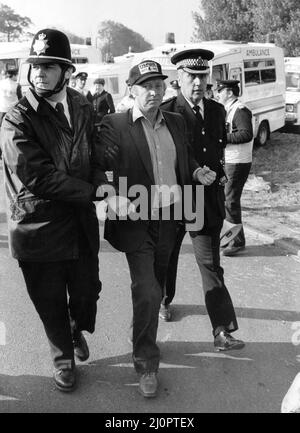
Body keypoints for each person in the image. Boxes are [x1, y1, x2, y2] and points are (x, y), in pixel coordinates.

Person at [98, 59, 216, 398]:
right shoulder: (114, 124)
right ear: (131, 90)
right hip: (135, 219)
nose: (155, 90)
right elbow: (100, 168)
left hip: (170, 218)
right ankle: (146, 363)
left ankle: (142, 328)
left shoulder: (176, 122)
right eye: (147, 86)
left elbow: (186, 157)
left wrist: (195, 172)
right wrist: (110, 195)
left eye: (159, 84)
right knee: (147, 288)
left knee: (158, 284)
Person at [0, 29, 109, 393]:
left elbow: (94, 154)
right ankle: (63, 359)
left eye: (48, 66)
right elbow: (39, 177)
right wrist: (93, 191)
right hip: (38, 228)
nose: (39, 73)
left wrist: (103, 180)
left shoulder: (82, 105)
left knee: (86, 292)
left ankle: (76, 328)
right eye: (35, 66)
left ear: (66, 71)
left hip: (79, 223)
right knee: (49, 302)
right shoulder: (17, 119)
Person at [160, 49, 245, 352]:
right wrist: (193, 171)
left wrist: (220, 179)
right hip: (174, 199)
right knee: (167, 258)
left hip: (205, 201)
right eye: (191, 76)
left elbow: (218, 152)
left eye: (202, 76)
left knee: (210, 265)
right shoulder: (166, 111)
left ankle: (221, 330)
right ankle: (164, 299)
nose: (197, 82)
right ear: (178, 78)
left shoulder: (217, 110)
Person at [216, 80, 253, 256]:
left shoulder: (240, 110)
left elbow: (246, 134)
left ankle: (237, 242)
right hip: (230, 161)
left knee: (230, 201)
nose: (217, 94)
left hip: (238, 162)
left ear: (229, 93)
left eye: (220, 91)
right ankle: (230, 237)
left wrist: (223, 138)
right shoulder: (230, 109)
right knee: (227, 201)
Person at [0, 66, 22, 158]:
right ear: (13, 76)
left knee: (1, 132)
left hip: (1, 111)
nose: (17, 77)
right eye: (16, 75)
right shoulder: (17, 85)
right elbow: (21, 99)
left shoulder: (1, 83)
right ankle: (9, 153)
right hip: (12, 112)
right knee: (12, 132)